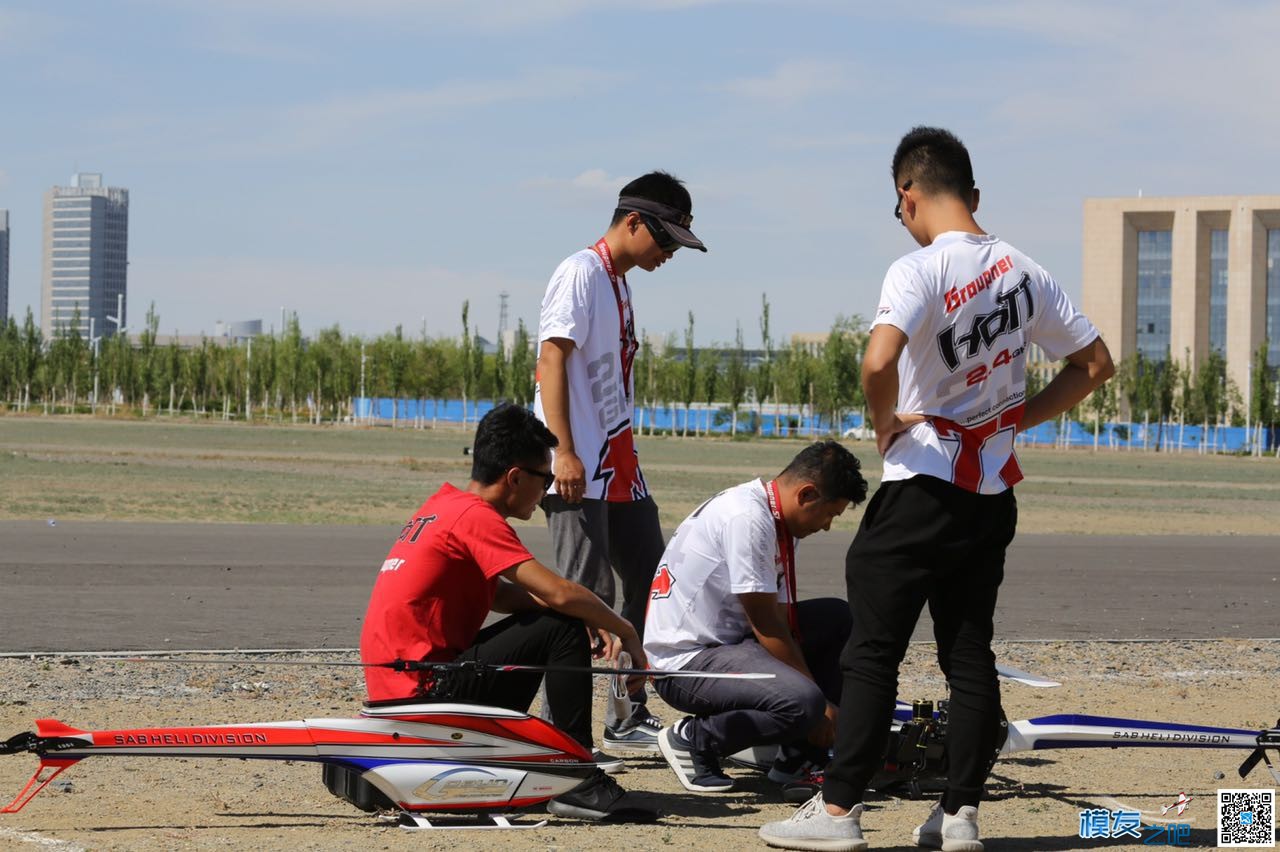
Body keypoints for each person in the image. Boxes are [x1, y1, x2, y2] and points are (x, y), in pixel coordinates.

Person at [760, 127, 1114, 852]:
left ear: (908, 194)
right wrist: (1017, 420)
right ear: (970, 192)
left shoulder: (916, 270)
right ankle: (960, 817)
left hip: (921, 484)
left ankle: (838, 815)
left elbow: (878, 360)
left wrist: (885, 421)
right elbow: (1095, 364)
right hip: (990, 492)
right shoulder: (1027, 272)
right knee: (969, 653)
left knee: (872, 654)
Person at [358, 402, 656, 823]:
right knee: (560, 623)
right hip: (424, 699)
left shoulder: (444, 505)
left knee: (565, 615)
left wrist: (593, 615)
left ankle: (544, 767)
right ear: (515, 477)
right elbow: (556, 592)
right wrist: (624, 628)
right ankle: (577, 781)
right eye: (546, 479)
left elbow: (502, 596)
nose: (548, 489)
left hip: (398, 693)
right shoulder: (477, 517)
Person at [534, 170, 707, 757]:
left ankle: (625, 711)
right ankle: (563, 736)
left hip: (619, 467)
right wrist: (562, 449)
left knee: (651, 576)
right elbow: (551, 360)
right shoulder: (580, 273)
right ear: (633, 222)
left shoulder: (620, 283)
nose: (668, 255)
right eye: (664, 241)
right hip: (576, 466)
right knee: (585, 595)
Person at [645, 441, 868, 794]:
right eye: (830, 515)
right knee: (803, 702)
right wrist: (822, 705)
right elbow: (768, 626)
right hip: (684, 662)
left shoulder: (777, 518)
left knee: (838, 618)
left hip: (730, 644)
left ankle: (798, 756)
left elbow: (783, 619)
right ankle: (693, 740)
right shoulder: (747, 519)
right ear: (807, 494)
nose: (826, 526)